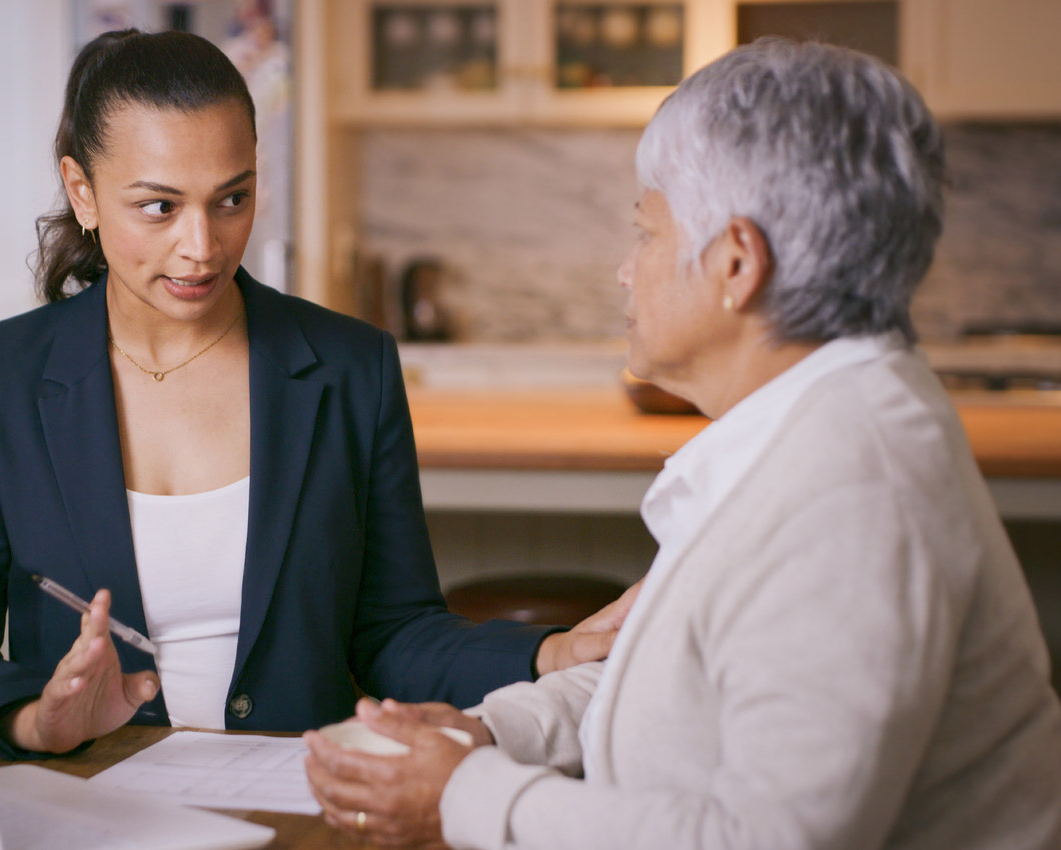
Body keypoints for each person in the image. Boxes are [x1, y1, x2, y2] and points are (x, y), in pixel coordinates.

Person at [303, 38, 1061, 849]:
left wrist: (467, 797)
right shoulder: (805, 428)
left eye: (647, 232)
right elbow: (665, 684)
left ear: (736, 264)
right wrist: (486, 733)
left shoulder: (850, 496)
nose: (626, 272)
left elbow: (766, 840)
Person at [0, 29, 631, 760]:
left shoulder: (351, 368)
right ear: (82, 192)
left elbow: (394, 632)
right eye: (159, 207)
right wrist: (36, 722)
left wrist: (550, 656)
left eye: (232, 199)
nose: (202, 245)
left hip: (296, 805)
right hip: (88, 803)